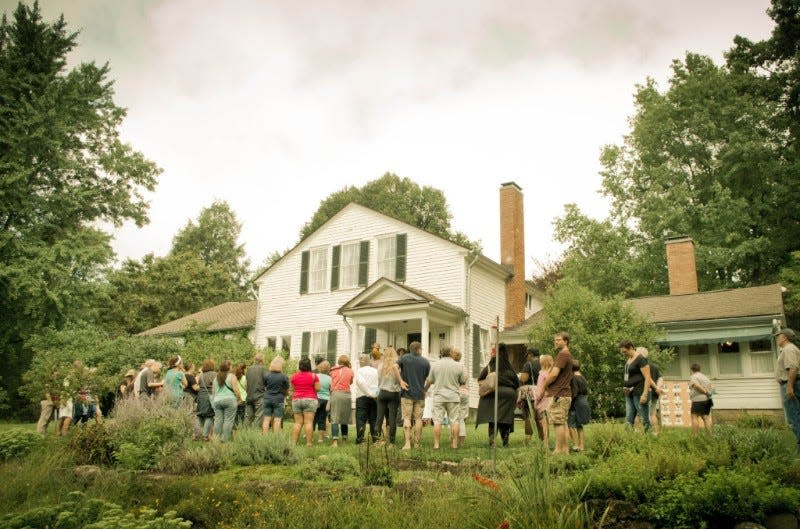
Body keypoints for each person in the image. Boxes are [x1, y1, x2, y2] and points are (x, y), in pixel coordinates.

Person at [476, 342, 520, 448]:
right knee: (505, 419)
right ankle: (505, 443)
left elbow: (480, 380)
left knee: (493, 418)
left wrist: (488, 383)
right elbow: (517, 384)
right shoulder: (511, 369)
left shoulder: (490, 367)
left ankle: (492, 443)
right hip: (510, 395)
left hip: (495, 394)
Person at [426, 345, 466, 449]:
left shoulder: (435, 365)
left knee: (437, 421)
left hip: (439, 396)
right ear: (451, 353)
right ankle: (454, 444)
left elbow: (430, 381)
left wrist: (424, 390)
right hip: (453, 396)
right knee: (454, 421)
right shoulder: (458, 366)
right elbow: (463, 381)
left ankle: (436, 445)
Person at [543, 332, 574, 454]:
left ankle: (559, 450)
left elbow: (554, 374)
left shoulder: (563, 355)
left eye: (559, 340)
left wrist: (545, 385)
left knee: (558, 423)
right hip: (563, 394)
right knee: (561, 422)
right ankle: (564, 449)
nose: (556, 342)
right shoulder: (566, 355)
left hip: (559, 394)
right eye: (555, 340)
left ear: (566, 341)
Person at [398, 341, 430, 450]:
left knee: (406, 418)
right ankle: (416, 444)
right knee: (418, 419)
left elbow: (394, 367)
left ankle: (407, 444)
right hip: (420, 394)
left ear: (410, 349)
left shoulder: (404, 358)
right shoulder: (425, 362)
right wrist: (425, 389)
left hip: (406, 393)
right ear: (419, 349)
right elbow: (428, 379)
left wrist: (400, 381)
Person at [375, 347, 406, 445]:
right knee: (392, 418)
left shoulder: (380, 366)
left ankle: (376, 440)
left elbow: (378, 380)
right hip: (394, 393)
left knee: (379, 418)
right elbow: (399, 380)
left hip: (383, 392)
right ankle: (392, 442)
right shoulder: (398, 366)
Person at [620, 340, 652, 432]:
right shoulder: (629, 358)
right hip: (630, 393)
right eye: (622, 352)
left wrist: (645, 394)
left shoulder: (641, 359)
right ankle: (629, 440)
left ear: (631, 348)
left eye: (625, 351)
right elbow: (631, 376)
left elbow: (647, 377)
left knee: (644, 419)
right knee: (629, 419)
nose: (623, 354)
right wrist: (627, 387)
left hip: (640, 393)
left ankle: (649, 439)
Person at [776, 328, 800, 450]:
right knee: (796, 414)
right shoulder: (790, 349)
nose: (777, 338)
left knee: (794, 416)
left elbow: (793, 368)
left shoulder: (789, 349)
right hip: (792, 383)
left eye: (778, 336)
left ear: (785, 337)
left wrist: (789, 386)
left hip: (791, 384)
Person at [290, 356, 320, 447]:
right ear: (309, 366)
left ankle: (293, 443)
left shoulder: (294, 376)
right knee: (308, 422)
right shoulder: (314, 376)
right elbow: (318, 388)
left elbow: (293, 388)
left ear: (300, 366)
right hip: (310, 399)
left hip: (296, 400)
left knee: (298, 422)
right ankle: (309, 443)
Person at [212, 360, 242, 442]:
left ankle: (216, 439)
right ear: (229, 367)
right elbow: (236, 390)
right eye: (231, 366)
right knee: (228, 420)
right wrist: (239, 399)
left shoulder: (216, 378)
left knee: (218, 420)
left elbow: (213, 392)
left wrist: (214, 401)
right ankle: (225, 440)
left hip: (217, 400)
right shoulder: (232, 376)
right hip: (229, 400)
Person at [328, 355, 354, 447]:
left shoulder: (332, 370)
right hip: (346, 394)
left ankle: (335, 442)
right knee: (344, 417)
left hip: (335, 394)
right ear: (347, 362)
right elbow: (350, 382)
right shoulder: (350, 371)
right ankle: (344, 439)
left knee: (334, 417)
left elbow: (330, 381)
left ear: (339, 361)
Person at [637, 347, 663, 434]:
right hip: (655, 393)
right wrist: (658, 388)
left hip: (645, 393)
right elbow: (660, 378)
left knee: (638, 414)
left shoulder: (641, 366)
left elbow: (648, 378)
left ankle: (637, 433)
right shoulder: (654, 366)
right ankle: (655, 433)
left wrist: (656, 388)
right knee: (653, 414)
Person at [354, 354, 379, 444]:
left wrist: (369, 393)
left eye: (361, 360)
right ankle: (375, 439)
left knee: (361, 418)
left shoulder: (359, 371)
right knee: (374, 418)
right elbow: (379, 384)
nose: (360, 362)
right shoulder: (376, 371)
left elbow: (361, 383)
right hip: (374, 397)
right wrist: (375, 394)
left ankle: (360, 440)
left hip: (362, 397)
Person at [518, 347, 540, 445]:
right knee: (541, 416)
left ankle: (528, 439)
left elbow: (524, 378)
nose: (527, 357)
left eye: (527, 355)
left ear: (531, 355)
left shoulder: (528, 364)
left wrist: (520, 376)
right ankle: (543, 438)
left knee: (529, 416)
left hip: (531, 393)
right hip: (541, 391)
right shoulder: (543, 363)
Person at [568, 359, 591, 452]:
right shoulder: (582, 377)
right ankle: (582, 446)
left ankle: (576, 445)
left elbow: (574, 392)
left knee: (571, 425)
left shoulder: (573, 378)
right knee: (579, 426)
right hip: (583, 401)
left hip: (576, 403)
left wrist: (570, 402)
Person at [262, 356, 289, 434]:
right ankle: (275, 437)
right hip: (279, 399)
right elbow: (287, 389)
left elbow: (264, 386)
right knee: (277, 419)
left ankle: (264, 436)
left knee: (266, 419)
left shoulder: (267, 375)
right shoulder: (284, 376)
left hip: (267, 398)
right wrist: (285, 395)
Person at [533, 354, 554, 446]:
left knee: (544, 423)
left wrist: (536, 400)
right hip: (551, 398)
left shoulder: (542, 374)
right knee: (547, 423)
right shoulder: (552, 373)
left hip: (543, 400)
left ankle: (545, 443)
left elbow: (540, 388)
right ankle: (547, 442)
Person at [689, 362, 713, 435]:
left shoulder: (694, 376)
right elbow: (711, 386)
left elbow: (696, 386)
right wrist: (708, 393)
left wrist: (704, 392)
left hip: (698, 400)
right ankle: (709, 436)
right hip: (707, 400)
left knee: (694, 417)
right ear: (699, 369)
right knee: (706, 418)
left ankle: (695, 436)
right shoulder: (705, 377)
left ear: (692, 370)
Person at [452, 348, 469, 447]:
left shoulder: (453, 367)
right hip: (465, 392)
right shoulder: (463, 367)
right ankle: (461, 441)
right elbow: (465, 379)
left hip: (456, 392)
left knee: (454, 418)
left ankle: (454, 440)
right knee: (461, 418)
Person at [244, 353, 267, 428]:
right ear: (262, 360)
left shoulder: (249, 369)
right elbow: (267, 381)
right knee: (258, 417)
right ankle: (254, 434)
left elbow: (246, 381)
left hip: (249, 395)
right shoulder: (263, 369)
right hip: (259, 396)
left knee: (248, 417)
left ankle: (244, 434)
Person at [196, 359, 217, 440]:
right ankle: (205, 436)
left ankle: (196, 434)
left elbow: (198, 385)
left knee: (199, 415)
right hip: (210, 396)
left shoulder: (201, 375)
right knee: (209, 416)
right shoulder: (214, 374)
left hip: (201, 396)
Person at [314, 360, 332, 443]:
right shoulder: (330, 379)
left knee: (312, 418)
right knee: (322, 419)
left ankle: (309, 435)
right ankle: (320, 438)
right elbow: (331, 390)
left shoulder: (315, 376)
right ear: (328, 369)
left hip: (316, 399)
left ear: (319, 367)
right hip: (326, 400)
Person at [233, 363, 247, 427]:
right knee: (243, 418)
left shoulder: (234, 378)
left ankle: (235, 431)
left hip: (236, 400)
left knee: (236, 418)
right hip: (243, 399)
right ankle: (242, 431)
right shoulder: (244, 378)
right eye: (246, 369)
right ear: (243, 370)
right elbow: (247, 388)